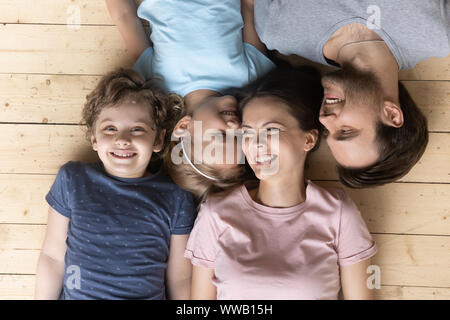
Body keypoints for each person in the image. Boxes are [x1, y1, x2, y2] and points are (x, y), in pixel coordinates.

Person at [184, 67, 378, 300]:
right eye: (247, 134)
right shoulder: (215, 214)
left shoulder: (337, 212)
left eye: (271, 131)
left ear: (308, 139)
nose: (256, 145)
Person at [249, 0, 449, 188]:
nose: (325, 119)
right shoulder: (438, 31)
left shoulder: (278, 29)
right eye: (345, 131)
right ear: (391, 114)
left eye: (328, 131)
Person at [35, 69, 196, 300]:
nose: (122, 139)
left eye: (137, 129)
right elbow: (52, 257)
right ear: (94, 138)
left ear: (158, 139)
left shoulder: (176, 196)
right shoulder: (73, 180)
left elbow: (180, 278)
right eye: (110, 128)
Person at [105, 0, 275, 200]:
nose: (234, 125)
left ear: (184, 126)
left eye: (222, 135)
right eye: (241, 135)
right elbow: (249, 8)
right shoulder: (252, 80)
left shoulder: (157, 87)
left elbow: (125, 19)